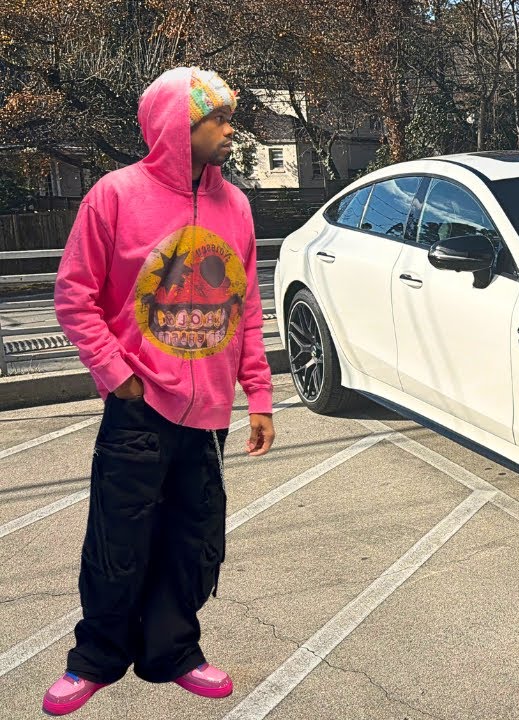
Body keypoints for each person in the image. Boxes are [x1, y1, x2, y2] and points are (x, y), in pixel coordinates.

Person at [43, 66, 275, 716]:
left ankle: (174, 652)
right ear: (179, 126)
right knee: (119, 540)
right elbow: (74, 295)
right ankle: (95, 659)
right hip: (138, 411)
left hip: (208, 419)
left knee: (192, 543)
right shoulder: (114, 196)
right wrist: (117, 376)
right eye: (218, 120)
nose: (231, 131)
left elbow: (247, 306)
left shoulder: (238, 207)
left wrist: (257, 395)